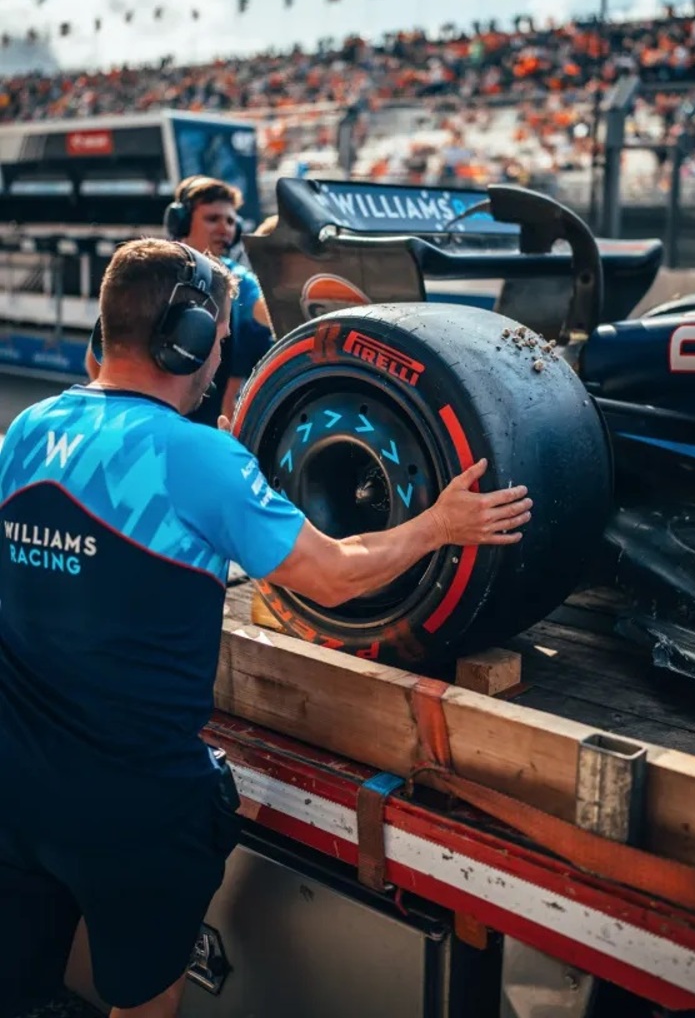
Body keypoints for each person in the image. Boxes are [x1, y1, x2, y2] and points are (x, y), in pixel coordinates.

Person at [0, 238, 531, 1018]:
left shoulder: (26, 430)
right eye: (216, 340)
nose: (219, 358)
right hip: (134, 812)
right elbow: (334, 572)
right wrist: (439, 524)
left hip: (16, 791)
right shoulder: (198, 457)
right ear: (180, 340)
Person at [85, 175, 274, 425]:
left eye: (230, 221)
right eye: (212, 218)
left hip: (198, 429)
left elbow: (265, 310)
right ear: (181, 221)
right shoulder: (155, 271)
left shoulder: (237, 279)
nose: (224, 228)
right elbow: (97, 356)